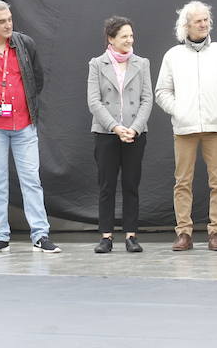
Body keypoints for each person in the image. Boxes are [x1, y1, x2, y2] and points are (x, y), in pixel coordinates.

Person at [0, 0, 60, 254]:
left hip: (24, 123)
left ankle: (40, 234)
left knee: (31, 179)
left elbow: (36, 80)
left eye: (9, 19)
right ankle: (0, 235)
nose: (8, 25)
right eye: (1, 21)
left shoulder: (24, 44)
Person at [155, 1, 217, 252]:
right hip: (184, 129)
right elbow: (162, 91)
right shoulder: (173, 56)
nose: (204, 24)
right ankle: (184, 233)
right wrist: (178, 111)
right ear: (186, 26)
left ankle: (216, 232)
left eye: (206, 20)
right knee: (182, 181)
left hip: (215, 127)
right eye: (198, 21)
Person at [86, 16, 153, 254]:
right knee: (106, 185)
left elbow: (147, 99)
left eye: (131, 35)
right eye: (124, 36)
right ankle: (106, 236)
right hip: (106, 133)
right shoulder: (97, 64)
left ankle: (131, 236)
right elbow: (94, 101)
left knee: (131, 184)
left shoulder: (142, 63)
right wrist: (115, 127)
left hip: (135, 133)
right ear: (111, 39)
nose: (129, 40)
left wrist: (134, 128)